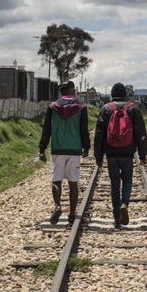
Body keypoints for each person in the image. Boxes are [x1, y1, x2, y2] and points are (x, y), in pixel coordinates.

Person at [94, 83, 147, 228]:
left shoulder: (106, 109)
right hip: (127, 153)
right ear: (125, 94)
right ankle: (124, 203)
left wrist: (98, 156)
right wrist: (143, 154)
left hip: (111, 153)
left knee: (114, 184)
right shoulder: (133, 109)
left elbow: (99, 135)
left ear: (112, 94)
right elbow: (141, 133)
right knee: (128, 180)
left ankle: (116, 217)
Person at [38, 81, 90, 225]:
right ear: (72, 90)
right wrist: (86, 147)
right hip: (74, 149)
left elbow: (46, 129)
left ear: (61, 92)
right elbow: (83, 130)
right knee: (73, 183)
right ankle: (72, 215)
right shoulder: (81, 107)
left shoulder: (53, 107)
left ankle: (58, 206)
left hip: (58, 149)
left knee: (56, 180)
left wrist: (42, 149)